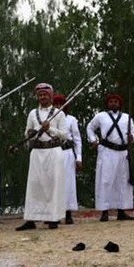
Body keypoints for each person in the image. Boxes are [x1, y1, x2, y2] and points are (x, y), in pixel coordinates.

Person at [17, 84, 69, 230]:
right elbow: (26, 132)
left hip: (53, 151)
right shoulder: (32, 113)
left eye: (45, 95)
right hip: (37, 152)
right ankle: (31, 219)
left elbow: (65, 135)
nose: (42, 97)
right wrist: (30, 133)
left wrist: (50, 128)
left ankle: (53, 218)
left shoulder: (59, 113)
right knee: (34, 185)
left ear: (51, 96)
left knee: (53, 185)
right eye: (40, 95)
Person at [87, 92, 134, 220]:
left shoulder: (127, 117)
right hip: (107, 151)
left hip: (123, 151)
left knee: (122, 181)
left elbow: (133, 133)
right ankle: (104, 212)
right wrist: (93, 140)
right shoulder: (101, 116)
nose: (113, 103)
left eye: (116, 101)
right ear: (107, 104)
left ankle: (121, 211)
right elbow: (90, 128)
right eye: (111, 101)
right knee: (105, 180)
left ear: (119, 104)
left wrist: (132, 138)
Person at [51, 93, 82, 223]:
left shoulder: (71, 120)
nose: (59, 106)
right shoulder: (49, 120)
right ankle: (55, 214)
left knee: (68, 183)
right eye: (56, 104)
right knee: (54, 183)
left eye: (61, 104)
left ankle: (68, 213)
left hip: (67, 153)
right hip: (53, 152)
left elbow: (77, 139)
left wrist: (79, 157)